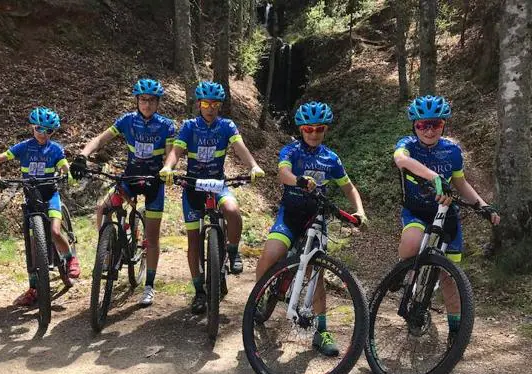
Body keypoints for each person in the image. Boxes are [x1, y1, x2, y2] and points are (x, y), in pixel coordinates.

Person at [254, 101, 367, 356]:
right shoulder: (292, 151)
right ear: (301, 129)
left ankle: (322, 331)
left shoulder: (331, 158)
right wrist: (297, 180)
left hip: (317, 218)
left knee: (315, 272)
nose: (313, 134)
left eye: (319, 129)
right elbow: (282, 172)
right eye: (308, 129)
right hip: (290, 214)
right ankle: (257, 298)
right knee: (271, 253)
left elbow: (348, 187)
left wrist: (359, 210)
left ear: (325, 130)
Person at [393, 95, 500, 346]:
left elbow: (461, 182)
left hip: (447, 214)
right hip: (417, 211)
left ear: (443, 126)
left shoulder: (452, 151)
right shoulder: (408, 144)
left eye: (436, 125)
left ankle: (455, 329)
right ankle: (401, 272)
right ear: (414, 126)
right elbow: (400, 160)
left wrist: (482, 205)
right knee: (411, 242)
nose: (429, 130)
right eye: (422, 125)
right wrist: (433, 177)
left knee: (449, 277)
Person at [160, 81, 265, 315]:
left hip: (218, 184)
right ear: (199, 104)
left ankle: (234, 251)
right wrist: (168, 167)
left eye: (215, 104)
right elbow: (176, 152)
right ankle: (199, 291)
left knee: (233, 211)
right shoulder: (189, 126)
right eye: (206, 103)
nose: (210, 108)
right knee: (193, 242)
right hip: (192, 187)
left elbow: (240, 148)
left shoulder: (226, 125)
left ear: (220, 106)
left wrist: (254, 166)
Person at [70, 78, 175, 307]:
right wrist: (82, 156)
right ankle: (105, 252)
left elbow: (169, 156)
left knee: (152, 237)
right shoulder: (127, 121)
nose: (147, 104)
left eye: (152, 100)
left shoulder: (166, 125)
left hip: (154, 183)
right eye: (143, 99)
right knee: (103, 208)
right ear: (137, 100)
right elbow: (100, 139)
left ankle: (149, 285)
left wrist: (168, 169)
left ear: (158, 103)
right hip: (130, 178)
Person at [0, 107, 80, 306]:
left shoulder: (54, 148)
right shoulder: (24, 147)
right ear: (32, 127)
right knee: (33, 243)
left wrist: (68, 173)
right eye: (39, 128)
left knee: (54, 231)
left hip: (50, 194)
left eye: (49, 131)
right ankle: (34, 286)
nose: (43, 134)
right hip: (31, 196)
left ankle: (70, 258)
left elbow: (63, 164)